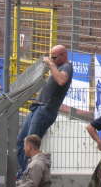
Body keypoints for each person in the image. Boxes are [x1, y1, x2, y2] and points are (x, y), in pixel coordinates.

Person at [17, 45, 73, 174]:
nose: (51, 59)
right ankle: (25, 173)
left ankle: (31, 176)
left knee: (31, 145)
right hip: (38, 108)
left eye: (54, 57)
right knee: (21, 142)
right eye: (50, 56)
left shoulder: (67, 67)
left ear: (63, 56)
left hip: (45, 110)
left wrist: (50, 64)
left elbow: (61, 80)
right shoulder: (58, 66)